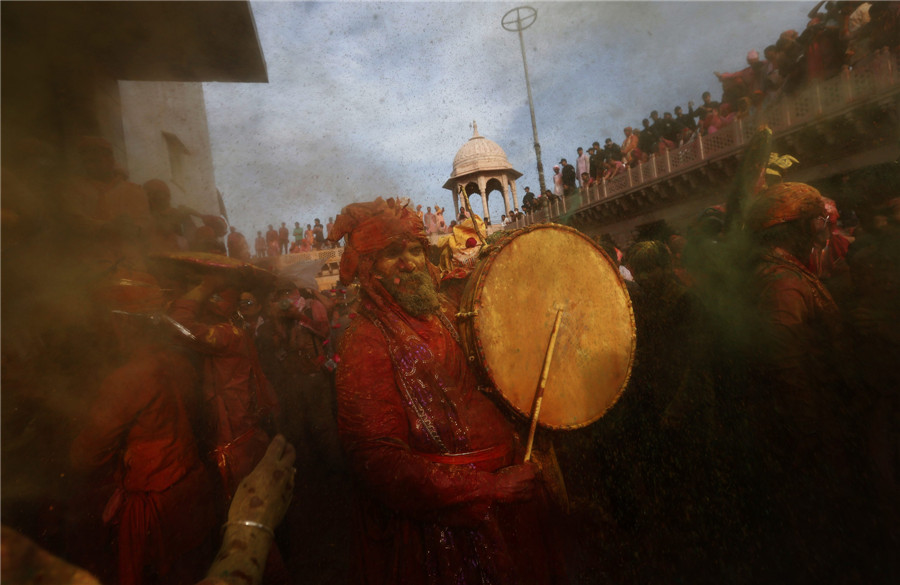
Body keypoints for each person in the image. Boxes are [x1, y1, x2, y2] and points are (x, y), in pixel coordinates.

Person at [328, 197, 564, 585]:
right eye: (392, 253)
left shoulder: (447, 313)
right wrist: (489, 487)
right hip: (445, 532)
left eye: (415, 249)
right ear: (369, 268)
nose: (410, 262)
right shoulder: (364, 343)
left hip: (508, 503)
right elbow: (379, 462)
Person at [71, 270, 216, 585]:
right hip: (193, 490)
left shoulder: (126, 380)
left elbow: (85, 455)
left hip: (155, 510)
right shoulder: (178, 362)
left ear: (122, 322)